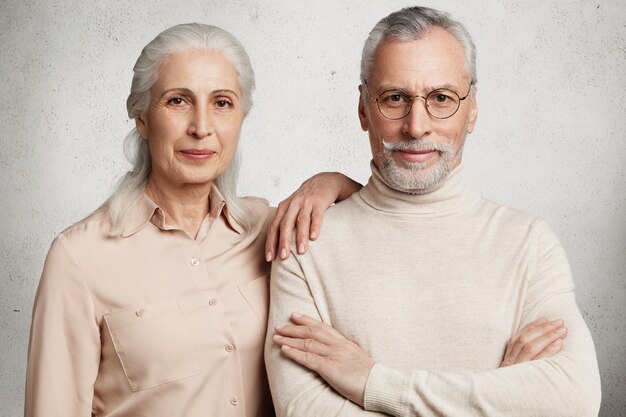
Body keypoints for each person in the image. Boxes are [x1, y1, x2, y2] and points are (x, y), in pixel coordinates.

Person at [266, 6, 601, 416]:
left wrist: (373, 383)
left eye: (441, 98)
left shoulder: (529, 243)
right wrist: (497, 399)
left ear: (472, 108)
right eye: (395, 98)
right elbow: (303, 409)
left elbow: (575, 398)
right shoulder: (305, 243)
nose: (417, 125)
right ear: (362, 109)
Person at [23, 23, 362, 417]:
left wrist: (330, 183)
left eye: (222, 103)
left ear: (241, 118)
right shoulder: (79, 257)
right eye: (178, 101)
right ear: (142, 117)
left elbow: (383, 220)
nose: (202, 128)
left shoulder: (269, 230)